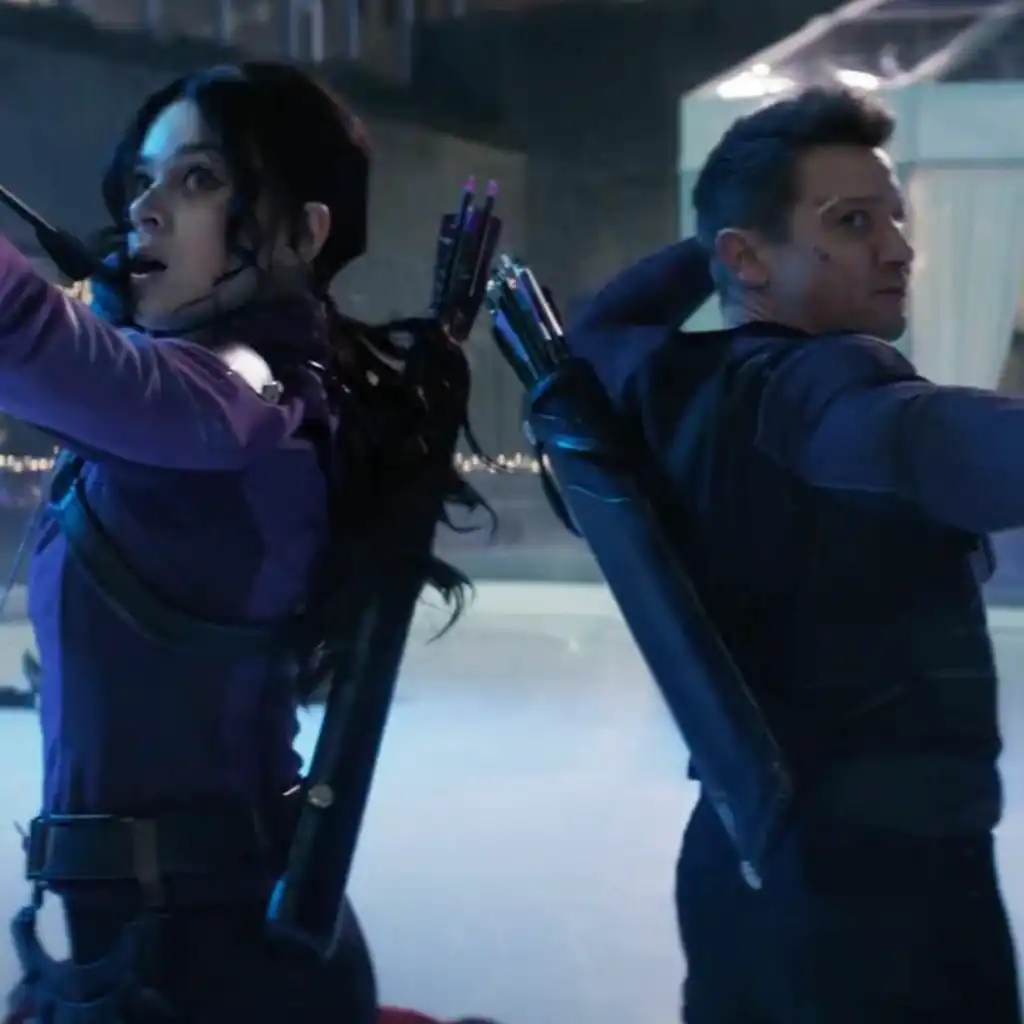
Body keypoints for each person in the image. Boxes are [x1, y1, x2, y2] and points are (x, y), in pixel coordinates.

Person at [0, 62, 494, 1024]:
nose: (144, 209)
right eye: (142, 179)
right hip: (154, 941)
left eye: (198, 179)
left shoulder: (247, 399)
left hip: (213, 963)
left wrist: (100, 329)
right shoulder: (216, 397)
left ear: (303, 235)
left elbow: (33, 340)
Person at [568, 86, 1021, 1023]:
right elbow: (923, 438)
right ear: (746, 259)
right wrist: (727, 238)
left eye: (895, 218)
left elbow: (600, 329)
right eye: (852, 223)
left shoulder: (665, 386)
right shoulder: (818, 386)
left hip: (745, 862)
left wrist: (720, 241)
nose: (898, 248)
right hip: (883, 904)